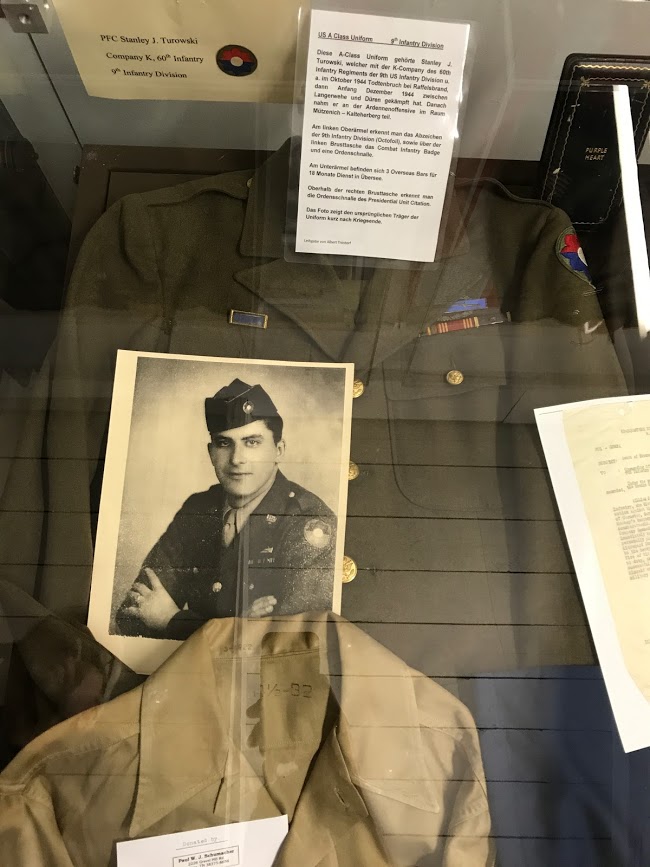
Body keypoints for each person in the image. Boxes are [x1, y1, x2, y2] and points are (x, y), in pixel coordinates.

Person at [115, 378, 336, 639]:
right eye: (224, 443)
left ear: (279, 449)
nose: (237, 459)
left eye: (252, 442)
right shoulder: (198, 508)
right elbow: (133, 614)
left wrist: (172, 621)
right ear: (211, 453)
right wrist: (238, 629)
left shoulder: (309, 521)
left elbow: (287, 642)